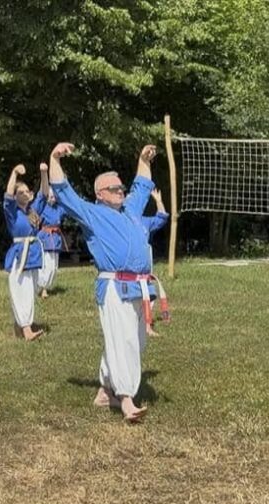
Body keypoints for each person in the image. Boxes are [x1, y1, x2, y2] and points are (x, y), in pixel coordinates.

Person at [49, 142, 166, 423]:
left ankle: (104, 391)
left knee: (133, 342)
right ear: (100, 194)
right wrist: (54, 158)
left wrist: (143, 159)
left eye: (121, 188)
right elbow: (63, 191)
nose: (121, 191)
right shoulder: (91, 213)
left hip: (139, 286)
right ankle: (126, 399)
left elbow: (141, 185)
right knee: (123, 341)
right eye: (114, 189)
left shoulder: (131, 210)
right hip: (115, 287)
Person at [2, 163, 46, 341]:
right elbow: (7, 195)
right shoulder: (12, 212)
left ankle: (21, 325)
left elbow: (44, 193)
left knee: (31, 289)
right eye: (21, 192)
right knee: (21, 289)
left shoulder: (32, 211)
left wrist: (44, 173)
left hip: (33, 254)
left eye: (27, 191)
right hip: (20, 254)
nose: (25, 194)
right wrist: (14, 172)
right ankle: (27, 330)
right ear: (16, 196)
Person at [141, 188, 171, 336]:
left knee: (149, 295)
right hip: (127, 271)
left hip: (145, 267)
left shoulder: (144, 222)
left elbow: (162, 217)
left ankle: (147, 326)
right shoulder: (120, 220)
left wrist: (158, 201)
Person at [36, 162, 68, 298]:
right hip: (45, 237)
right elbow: (41, 194)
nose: (52, 198)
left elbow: (66, 204)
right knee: (46, 264)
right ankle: (42, 288)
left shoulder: (59, 208)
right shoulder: (43, 207)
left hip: (55, 238)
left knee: (54, 266)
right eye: (50, 195)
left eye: (54, 196)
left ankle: (46, 286)